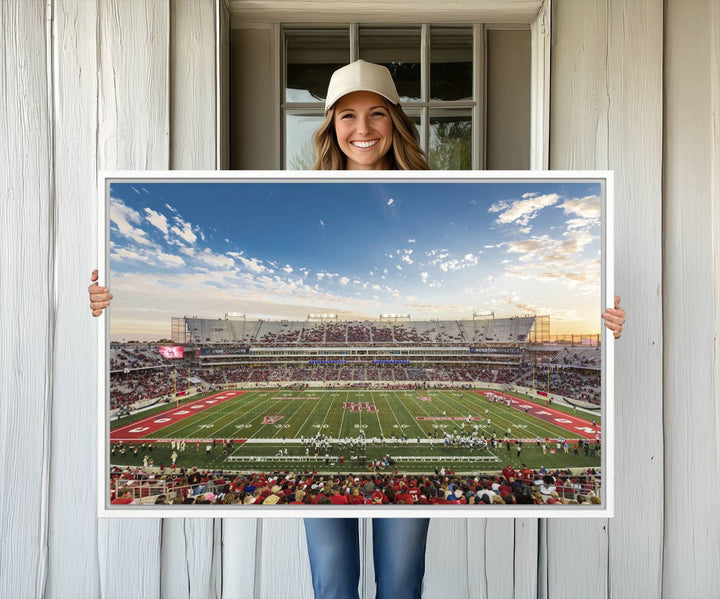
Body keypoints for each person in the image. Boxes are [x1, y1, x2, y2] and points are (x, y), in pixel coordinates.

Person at [89, 60, 627, 599]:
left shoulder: (433, 197)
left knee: (400, 582)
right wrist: (107, 301)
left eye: (376, 115)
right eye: (347, 116)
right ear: (330, 126)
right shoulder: (304, 196)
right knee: (332, 584)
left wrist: (604, 321)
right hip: (328, 458)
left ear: (395, 121)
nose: (362, 129)